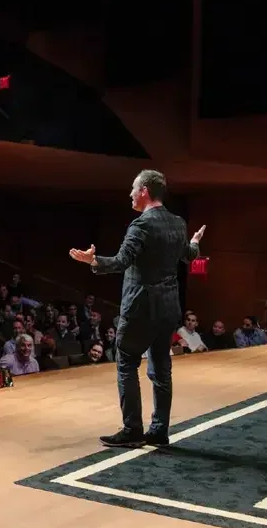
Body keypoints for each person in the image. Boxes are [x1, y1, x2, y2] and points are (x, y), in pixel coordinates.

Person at [69, 169, 205, 448]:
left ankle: (132, 429)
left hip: (139, 308)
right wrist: (194, 242)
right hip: (168, 309)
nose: (130, 194)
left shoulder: (141, 225)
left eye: (133, 189)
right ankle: (159, 431)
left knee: (127, 364)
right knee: (161, 369)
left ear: (144, 191)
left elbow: (121, 261)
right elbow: (189, 256)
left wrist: (92, 261)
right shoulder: (178, 223)